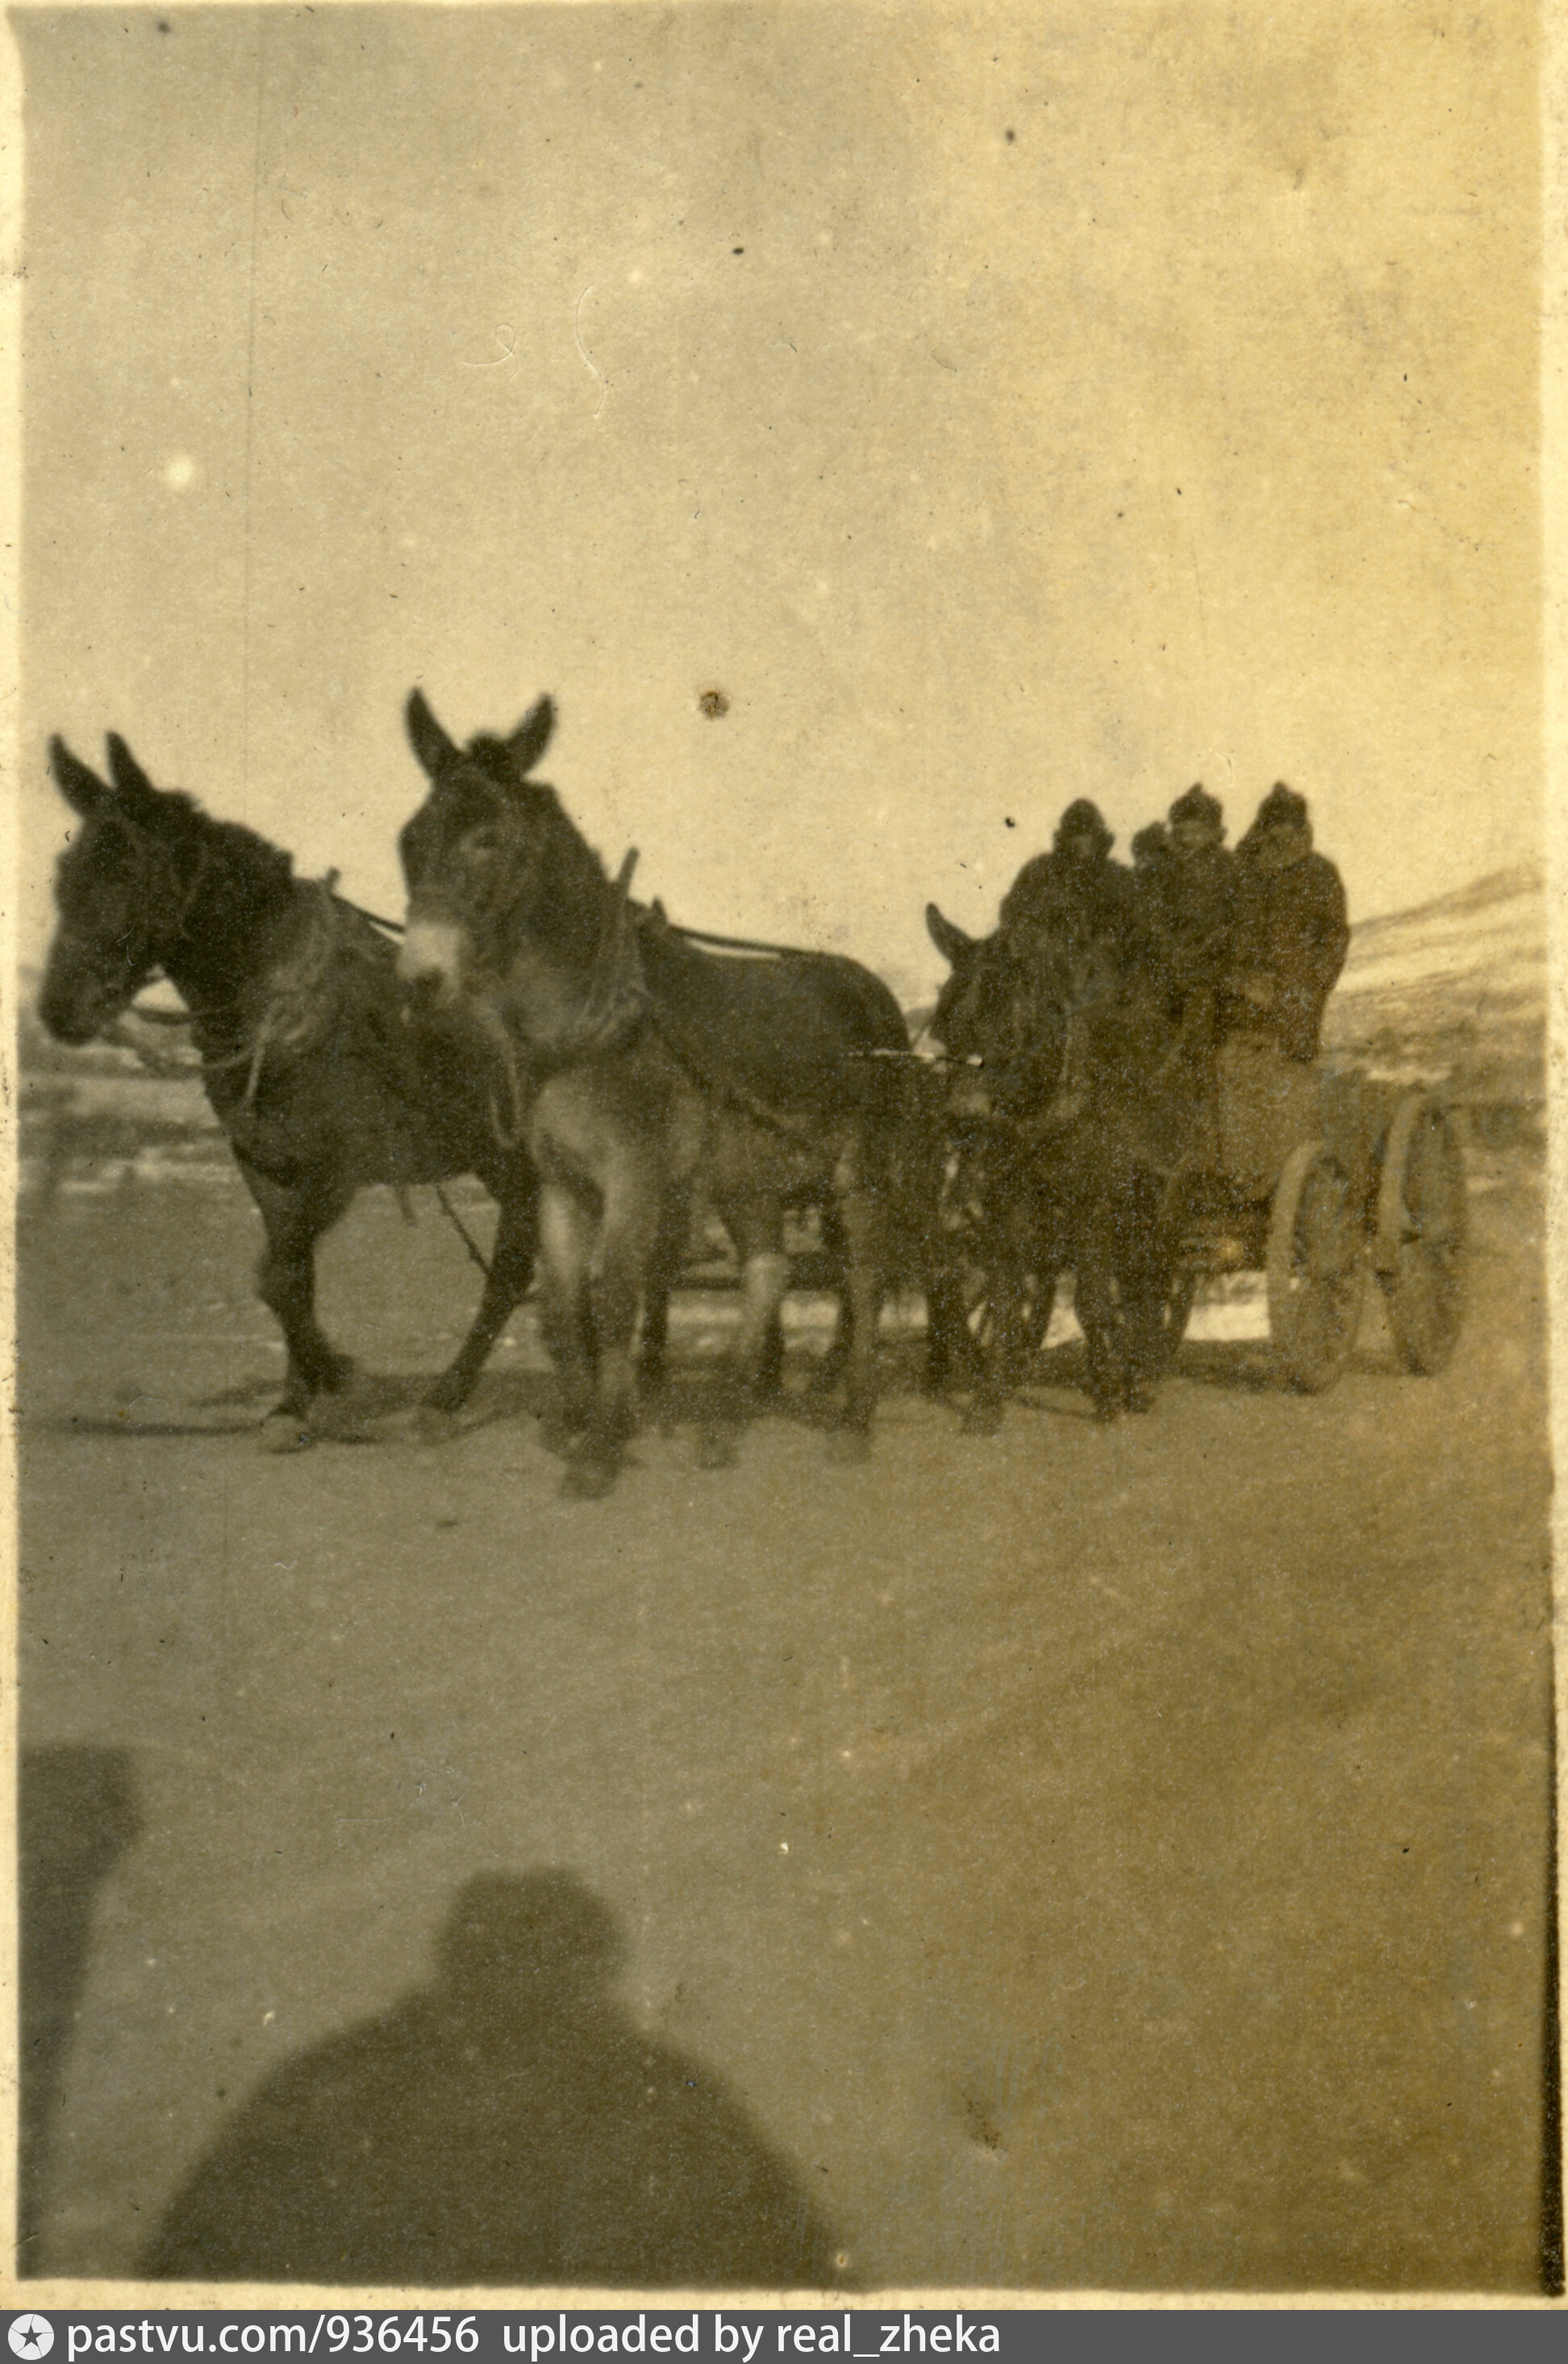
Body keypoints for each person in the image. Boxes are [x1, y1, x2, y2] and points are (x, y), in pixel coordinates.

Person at [1224, 783, 1349, 1061]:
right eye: (1272, 824)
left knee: (1294, 1068)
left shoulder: (1320, 872)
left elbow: (1335, 933)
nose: (1278, 832)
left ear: (1300, 826)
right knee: (1244, 1068)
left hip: (1297, 988)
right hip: (1247, 986)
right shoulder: (1247, 870)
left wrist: (1319, 980)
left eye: (1286, 824)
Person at [1136, 784, 1238, 1040]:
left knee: (1201, 1017)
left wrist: (1219, 941)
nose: (1189, 838)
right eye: (1183, 831)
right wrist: (1167, 947)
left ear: (1212, 831)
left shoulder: (1229, 865)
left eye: (1197, 831)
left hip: (1215, 960)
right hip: (1171, 957)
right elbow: (1152, 913)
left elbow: (1244, 915)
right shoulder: (1163, 867)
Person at [999, 798, 1135, 972]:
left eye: (1087, 833)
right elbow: (1012, 911)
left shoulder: (1118, 877)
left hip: (1099, 968)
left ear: (1099, 838)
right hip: (1041, 965)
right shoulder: (1040, 871)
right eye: (1075, 833)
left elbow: (1130, 923)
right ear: (1064, 836)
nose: (1081, 841)